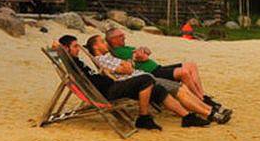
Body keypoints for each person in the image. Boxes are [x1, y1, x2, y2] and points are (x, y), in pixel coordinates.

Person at [57, 34, 196, 130]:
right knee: (146, 79)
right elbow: (56, 49)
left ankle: (187, 117)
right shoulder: (69, 61)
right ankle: (143, 117)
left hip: (112, 85)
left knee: (157, 89)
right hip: (108, 91)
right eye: (75, 47)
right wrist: (59, 47)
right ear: (65, 48)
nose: (78, 49)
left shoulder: (76, 61)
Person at [86, 34, 227, 126]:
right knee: (180, 90)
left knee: (181, 89)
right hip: (142, 81)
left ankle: (209, 112)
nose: (106, 44)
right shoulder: (103, 59)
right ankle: (211, 114)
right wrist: (126, 64)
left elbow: (127, 65)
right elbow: (127, 69)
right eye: (102, 42)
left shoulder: (109, 57)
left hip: (145, 79)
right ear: (95, 47)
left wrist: (126, 64)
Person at [105, 27, 220, 109]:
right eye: (120, 36)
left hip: (158, 68)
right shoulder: (118, 51)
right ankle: (201, 99)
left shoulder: (125, 47)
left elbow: (146, 52)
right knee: (184, 72)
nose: (124, 37)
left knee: (191, 65)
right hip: (153, 73)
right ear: (113, 39)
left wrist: (142, 52)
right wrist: (140, 54)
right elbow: (141, 57)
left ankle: (202, 95)